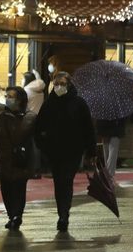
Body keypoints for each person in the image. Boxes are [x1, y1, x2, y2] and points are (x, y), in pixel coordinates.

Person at [36, 72, 97, 233]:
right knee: (59, 182)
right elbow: (39, 126)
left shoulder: (78, 103)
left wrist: (91, 150)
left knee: (66, 179)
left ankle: (64, 214)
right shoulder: (49, 104)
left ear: (68, 85)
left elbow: (88, 128)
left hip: (73, 150)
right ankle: (62, 212)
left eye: (62, 84)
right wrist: (43, 146)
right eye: (56, 84)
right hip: (54, 151)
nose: (59, 87)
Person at [0, 85, 38, 232]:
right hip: (4, 161)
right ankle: (12, 215)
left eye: (11, 96)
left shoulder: (31, 118)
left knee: (19, 189)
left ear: (20, 100)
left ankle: (17, 215)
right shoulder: (1, 118)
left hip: (21, 161)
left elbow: (38, 139)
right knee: (6, 191)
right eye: (7, 96)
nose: (7, 99)